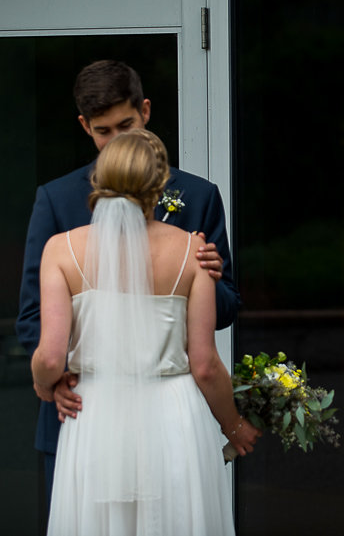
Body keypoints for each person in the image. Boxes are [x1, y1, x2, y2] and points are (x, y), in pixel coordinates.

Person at [16, 59, 241, 507]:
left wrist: (209, 275)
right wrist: (54, 378)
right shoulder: (56, 199)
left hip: (170, 424)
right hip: (80, 417)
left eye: (126, 125)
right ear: (84, 126)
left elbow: (228, 310)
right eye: (103, 131)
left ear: (147, 111)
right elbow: (31, 320)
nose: (117, 141)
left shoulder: (198, 196)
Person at [30, 129, 260, 535]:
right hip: (173, 418)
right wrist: (233, 426)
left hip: (94, 414)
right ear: (159, 186)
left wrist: (47, 386)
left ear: (98, 180)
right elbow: (205, 365)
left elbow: (50, 357)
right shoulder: (195, 251)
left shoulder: (60, 250)